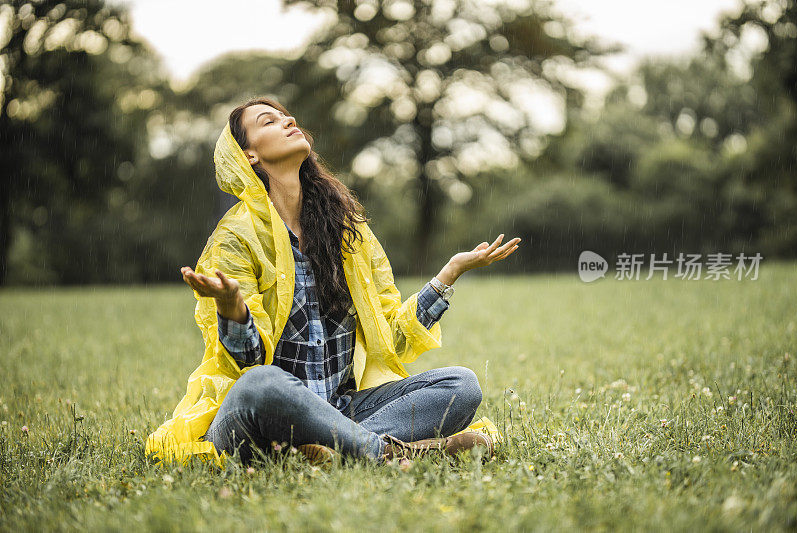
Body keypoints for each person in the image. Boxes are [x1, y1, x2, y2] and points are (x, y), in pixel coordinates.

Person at [145, 97, 520, 467]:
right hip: (260, 418)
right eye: (268, 121)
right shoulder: (235, 238)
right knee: (261, 383)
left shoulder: (346, 231)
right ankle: (388, 451)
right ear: (249, 157)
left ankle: (328, 452)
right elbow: (248, 361)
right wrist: (232, 308)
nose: (288, 119)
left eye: (285, 115)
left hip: (342, 410)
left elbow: (392, 337)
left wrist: (448, 274)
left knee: (461, 385)